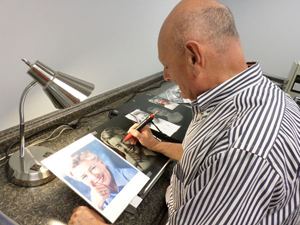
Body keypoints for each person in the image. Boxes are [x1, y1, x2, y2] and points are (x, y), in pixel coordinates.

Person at [68, 0, 300, 224]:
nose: (166, 76)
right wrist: (156, 145)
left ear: (194, 57)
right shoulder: (249, 95)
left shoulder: (242, 150)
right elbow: (205, 158)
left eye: (167, 65)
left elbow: (226, 158)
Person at [68, 151, 137, 210]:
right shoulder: (94, 201)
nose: (93, 177)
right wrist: (98, 206)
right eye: (84, 177)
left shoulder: (130, 174)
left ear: (102, 163)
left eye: (93, 168)